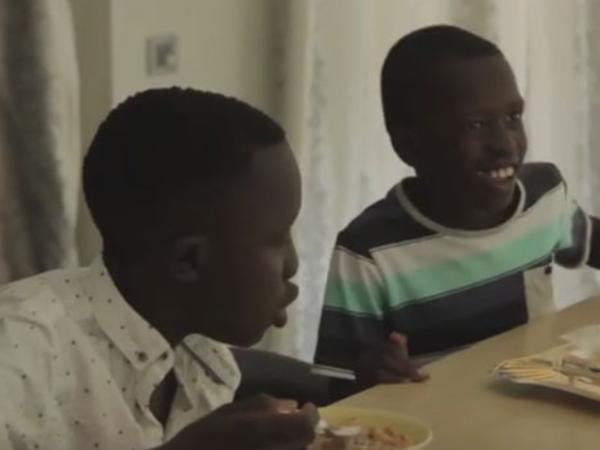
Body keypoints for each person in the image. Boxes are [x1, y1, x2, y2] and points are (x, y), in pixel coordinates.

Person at [0, 88, 318, 449]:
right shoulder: (20, 347)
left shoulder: (206, 365)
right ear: (189, 261)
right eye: (278, 237)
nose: (292, 264)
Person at [315, 25, 600, 388]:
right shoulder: (369, 252)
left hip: (541, 414)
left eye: (513, 117)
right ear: (409, 145)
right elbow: (337, 395)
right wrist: (371, 376)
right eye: (475, 125)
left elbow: (592, 240)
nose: (504, 144)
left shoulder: (543, 197)